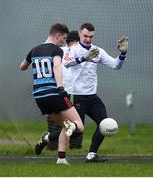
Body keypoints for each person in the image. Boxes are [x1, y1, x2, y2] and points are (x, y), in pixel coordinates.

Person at [63, 23, 128, 162]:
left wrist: (123, 53)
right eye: (85, 36)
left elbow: (116, 65)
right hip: (76, 96)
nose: (88, 39)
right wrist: (83, 58)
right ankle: (47, 138)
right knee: (76, 132)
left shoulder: (98, 51)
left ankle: (92, 155)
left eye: (91, 37)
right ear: (80, 34)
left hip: (92, 97)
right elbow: (66, 63)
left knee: (104, 124)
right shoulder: (73, 49)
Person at [19, 23, 84, 165]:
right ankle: (57, 135)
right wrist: (61, 88)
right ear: (58, 35)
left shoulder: (34, 50)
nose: (63, 42)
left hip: (39, 97)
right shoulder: (56, 50)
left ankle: (61, 157)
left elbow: (22, 66)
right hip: (54, 93)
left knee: (65, 126)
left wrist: (37, 62)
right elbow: (56, 66)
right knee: (78, 125)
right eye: (64, 38)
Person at [47, 31, 83, 150]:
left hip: (73, 91)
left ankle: (75, 145)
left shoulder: (81, 52)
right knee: (58, 118)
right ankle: (51, 144)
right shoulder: (60, 51)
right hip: (59, 90)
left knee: (73, 121)